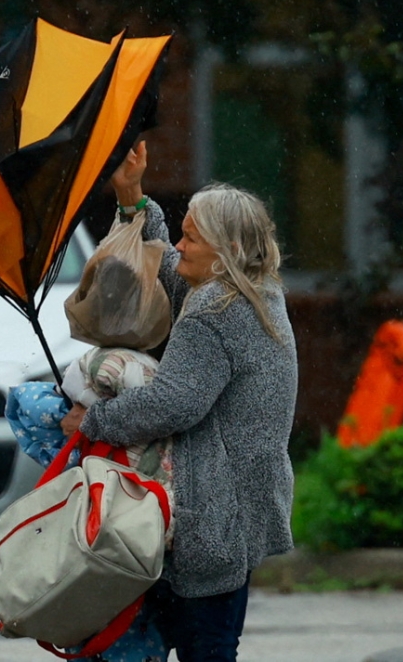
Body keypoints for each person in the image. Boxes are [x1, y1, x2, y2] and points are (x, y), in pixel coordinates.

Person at [61, 140, 298, 662]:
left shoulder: (217, 310)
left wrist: (91, 420)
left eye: (192, 239)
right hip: (238, 505)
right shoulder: (251, 290)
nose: (181, 247)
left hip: (212, 511)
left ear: (226, 250)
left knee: (205, 647)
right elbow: (163, 265)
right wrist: (132, 197)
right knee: (208, 642)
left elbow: (172, 403)